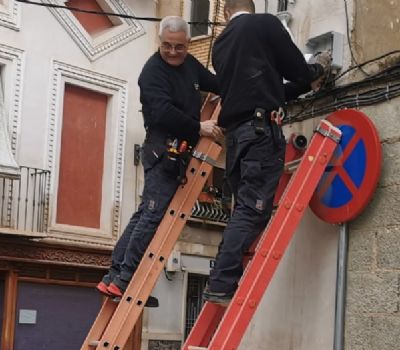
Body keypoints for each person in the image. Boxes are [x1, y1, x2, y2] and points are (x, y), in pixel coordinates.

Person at [203, 0, 331, 305]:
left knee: (245, 210)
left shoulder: (220, 47)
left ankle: (221, 277)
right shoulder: (265, 24)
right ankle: (221, 282)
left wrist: (302, 86)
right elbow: (297, 69)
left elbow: (267, 89)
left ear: (224, 13)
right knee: (252, 210)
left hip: (237, 140)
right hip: (261, 135)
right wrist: (319, 68)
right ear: (252, 6)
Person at [97, 15, 223, 298]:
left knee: (145, 213)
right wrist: (198, 126)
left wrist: (227, 88)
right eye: (167, 46)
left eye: (179, 47)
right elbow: (163, 112)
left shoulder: (190, 65)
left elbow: (213, 82)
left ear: (188, 45)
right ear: (160, 42)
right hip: (162, 150)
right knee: (151, 216)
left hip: (173, 151)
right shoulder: (152, 72)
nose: (173, 52)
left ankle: (115, 274)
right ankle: (125, 277)